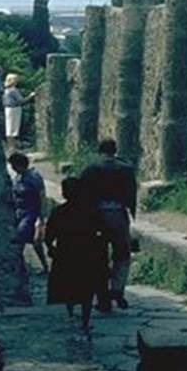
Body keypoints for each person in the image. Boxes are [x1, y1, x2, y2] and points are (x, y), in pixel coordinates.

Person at [43, 176, 109, 336]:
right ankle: (85, 320)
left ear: (65, 194)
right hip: (88, 255)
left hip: (66, 254)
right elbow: (104, 232)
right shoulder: (92, 211)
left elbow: (49, 235)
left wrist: (50, 248)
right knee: (87, 288)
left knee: (68, 287)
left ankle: (72, 314)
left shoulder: (59, 212)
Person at [79, 138, 137, 312]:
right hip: (118, 214)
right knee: (122, 254)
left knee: (98, 258)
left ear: (100, 150)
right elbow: (131, 193)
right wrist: (131, 212)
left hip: (96, 216)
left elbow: (83, 194)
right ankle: (117, 289)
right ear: (115, 150)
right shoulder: (125, 169)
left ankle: (103, 299)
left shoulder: (90, 169)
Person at [8, 152, 49, 273]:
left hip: (31, 213)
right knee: (35, 244)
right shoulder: (18, 177)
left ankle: (19, 268)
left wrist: (41, 217)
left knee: (20, 238)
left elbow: (41, 195)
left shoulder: (33, 176)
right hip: (20, 212)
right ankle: (37, 267)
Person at [3, 73, 36, 155]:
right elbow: (21, 101)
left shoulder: (6, 90)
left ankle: (10, 149)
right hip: (14, 109)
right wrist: (31, 96)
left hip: (7, 109)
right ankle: (13, 149)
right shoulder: (13, 90)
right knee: (14, 129)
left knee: (9, 129)